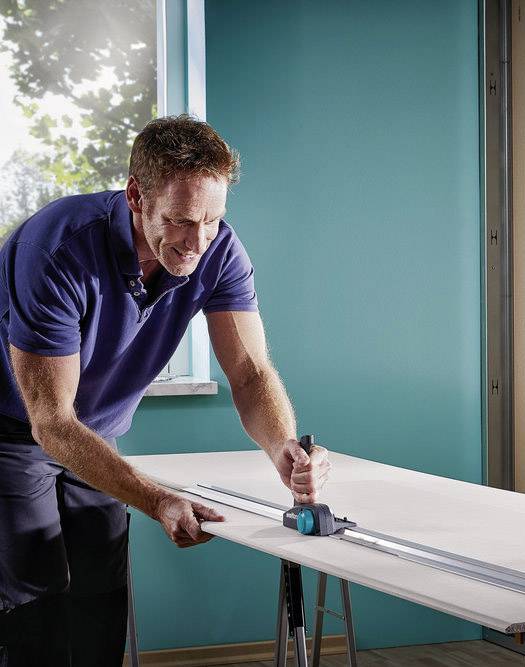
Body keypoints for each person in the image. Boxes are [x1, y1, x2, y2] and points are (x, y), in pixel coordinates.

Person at [0, 115, 330, 665]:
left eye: (212, 220)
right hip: (12, 432)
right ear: (135, 196)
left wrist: (284, 447)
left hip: (93, 435)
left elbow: (250, 373)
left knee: (99, 598)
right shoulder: (57, 250)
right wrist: (156, 498)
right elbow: (51, 422)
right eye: (179, 221)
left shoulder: (217, 248)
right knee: (33, 608)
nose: (197, 240)